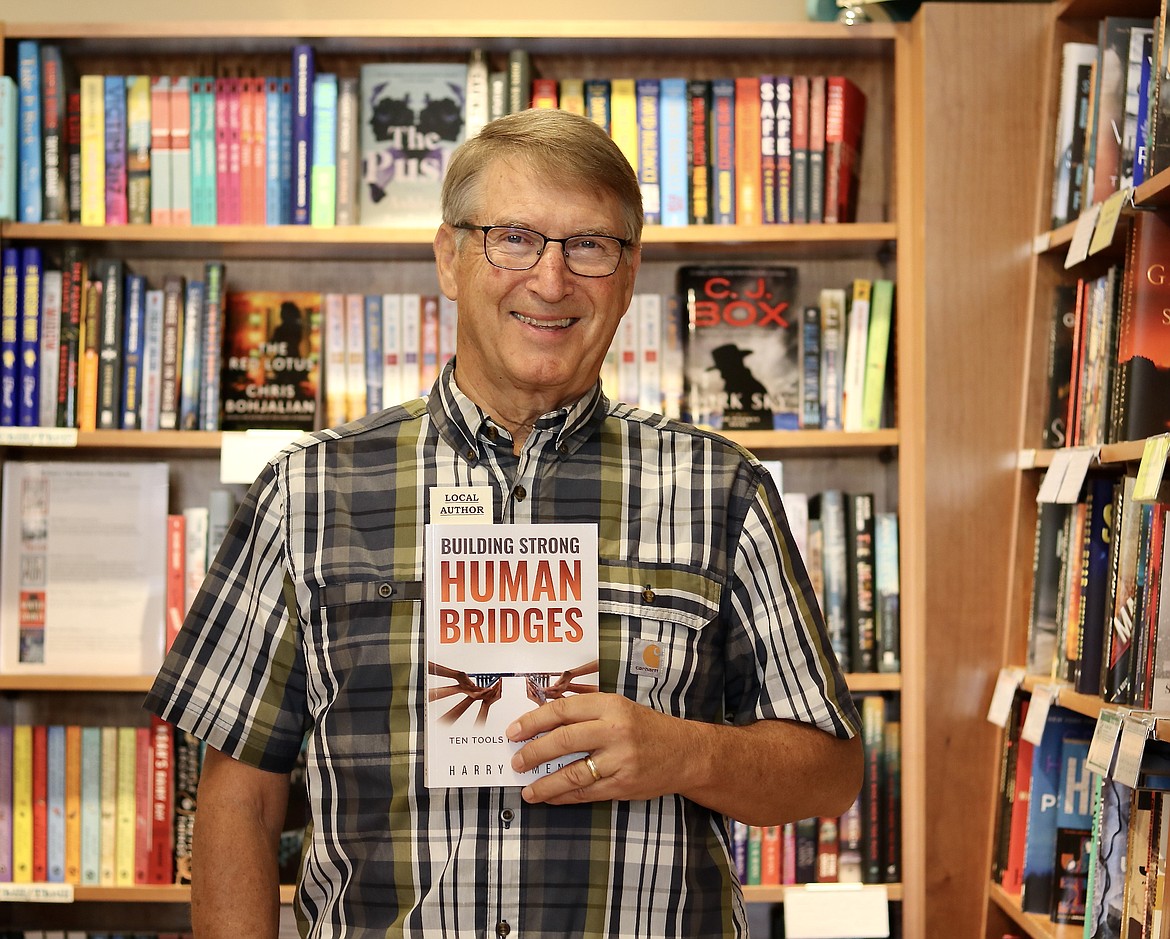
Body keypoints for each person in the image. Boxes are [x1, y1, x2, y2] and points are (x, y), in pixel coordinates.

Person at [145, 107, 862, 939]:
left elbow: (830, 771)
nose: (551, 281)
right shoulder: (308, 491)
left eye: (589, 245)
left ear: (630, 275)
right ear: (449, 258)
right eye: (514, 237)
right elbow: (241, 794)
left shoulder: (722, 487)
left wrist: (682, 750)